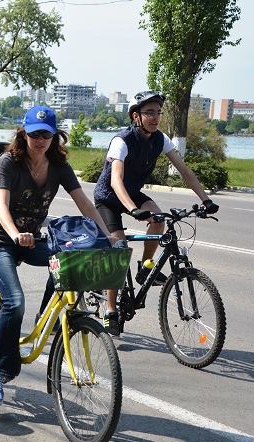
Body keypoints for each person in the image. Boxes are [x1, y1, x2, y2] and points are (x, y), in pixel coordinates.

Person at [0, 105, 116, 405]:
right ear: (23, 134)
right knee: (14, 302)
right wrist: (15, 233)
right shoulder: (9, 162)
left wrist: (107, 235)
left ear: (56, 137)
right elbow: (0, 204)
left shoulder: (59, 167)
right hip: (0, 239)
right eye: (35, 134)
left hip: (32, 239)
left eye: (47, 134)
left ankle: (47, 318)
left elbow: (85, 205)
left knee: (68, 261)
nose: (40, 140)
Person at [93, 91, 219, 336]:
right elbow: (116, 180)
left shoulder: (160, 140)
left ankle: (144, 266)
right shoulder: (122, 140)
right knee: (118, 249)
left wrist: (206, 200)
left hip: (132, 193)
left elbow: (184, 170)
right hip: (109, 198)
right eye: (149, 112)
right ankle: (110, 310)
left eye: (158, 112)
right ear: (136, 116)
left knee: (158, 219)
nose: (155, 117)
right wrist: (132, 209)